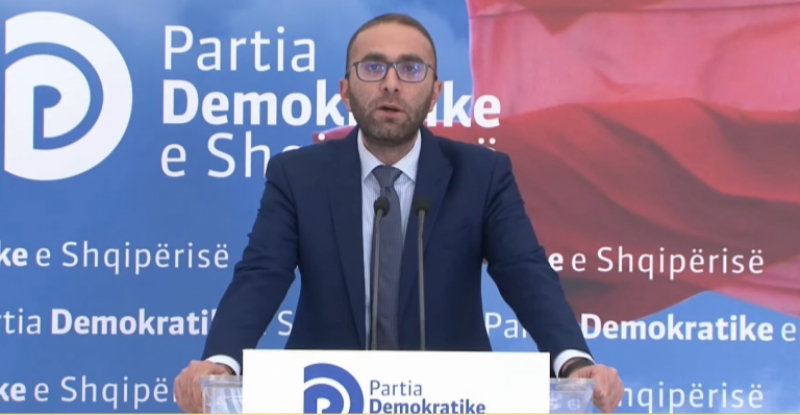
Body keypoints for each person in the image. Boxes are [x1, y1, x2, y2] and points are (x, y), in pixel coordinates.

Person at [174, 13, 624, 413]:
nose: (391, 83)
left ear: (435, 94)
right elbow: (261, 273)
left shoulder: (482, 175)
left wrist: (573, 361)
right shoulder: (297, 175)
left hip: (456, 401)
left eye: (411, 68)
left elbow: (524, 271)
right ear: (345, 91)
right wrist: (221, 362)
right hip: (323, 399)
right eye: (373, 67)